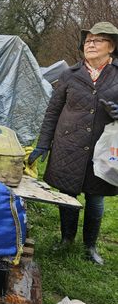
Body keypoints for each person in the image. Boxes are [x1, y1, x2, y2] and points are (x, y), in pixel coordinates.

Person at [29, 21, 118, 265]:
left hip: (101, 149)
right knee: (67, 195)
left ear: (111, 46)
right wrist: (43, 143)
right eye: (88, 40)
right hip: (68, 145)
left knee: (96, 198)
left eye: (97, 40)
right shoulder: (69, 74)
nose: (90, 43)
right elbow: (52, 111)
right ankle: (66, 239)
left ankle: (90, 246)